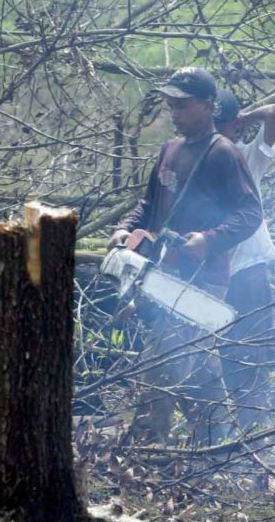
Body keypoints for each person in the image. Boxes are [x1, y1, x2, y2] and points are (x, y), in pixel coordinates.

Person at [108, 67, 262, 446]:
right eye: (171, 105)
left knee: (162, 357)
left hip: (202, 276)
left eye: (182, 106)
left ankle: (148, 439)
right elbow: (149, 203)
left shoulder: (223, 153)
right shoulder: (170, 150)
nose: (174, 113)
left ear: (208, 107)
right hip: (162, 270)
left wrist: (208, 241)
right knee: (197, 364)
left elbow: (250, 213)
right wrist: (126, 228)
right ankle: (218, 440)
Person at [213, 89, 275, 431]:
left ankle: (254, 430)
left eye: (220, 125)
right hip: (215, 274)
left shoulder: (246, 157)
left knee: (254, 352)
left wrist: (245, 117)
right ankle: (227, 432)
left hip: (249, 271)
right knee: (224, 354)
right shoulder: (199, 162)